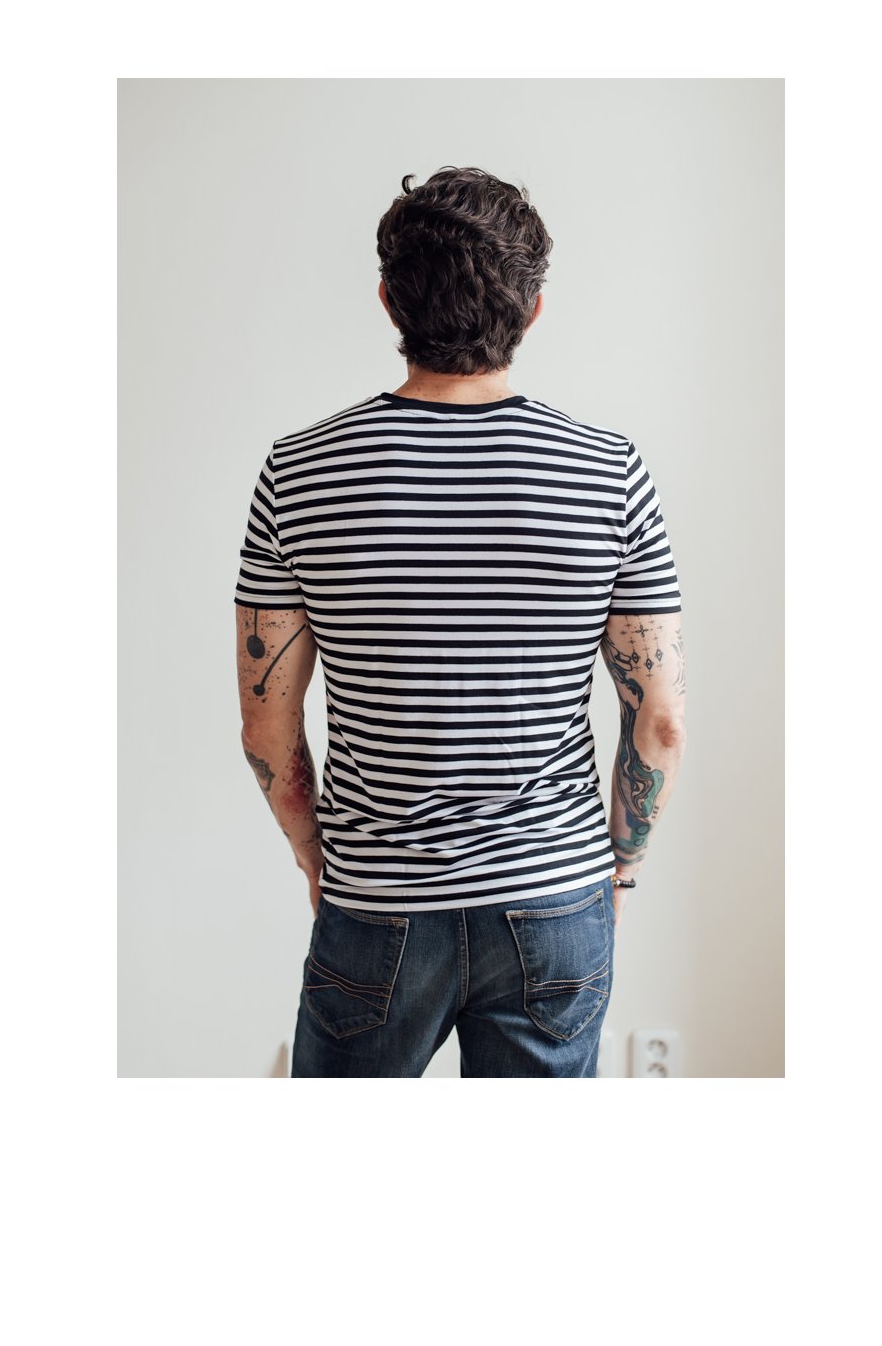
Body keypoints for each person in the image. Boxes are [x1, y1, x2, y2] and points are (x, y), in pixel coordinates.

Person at [234, 165, 686, 1078]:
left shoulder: (299, 472)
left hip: (378, 901)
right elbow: (661, 721)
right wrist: (623, 865)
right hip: (554, 900)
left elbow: (266, 727)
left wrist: (314, 854)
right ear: (533, 310)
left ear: (389, 300)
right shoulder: (610, 473)